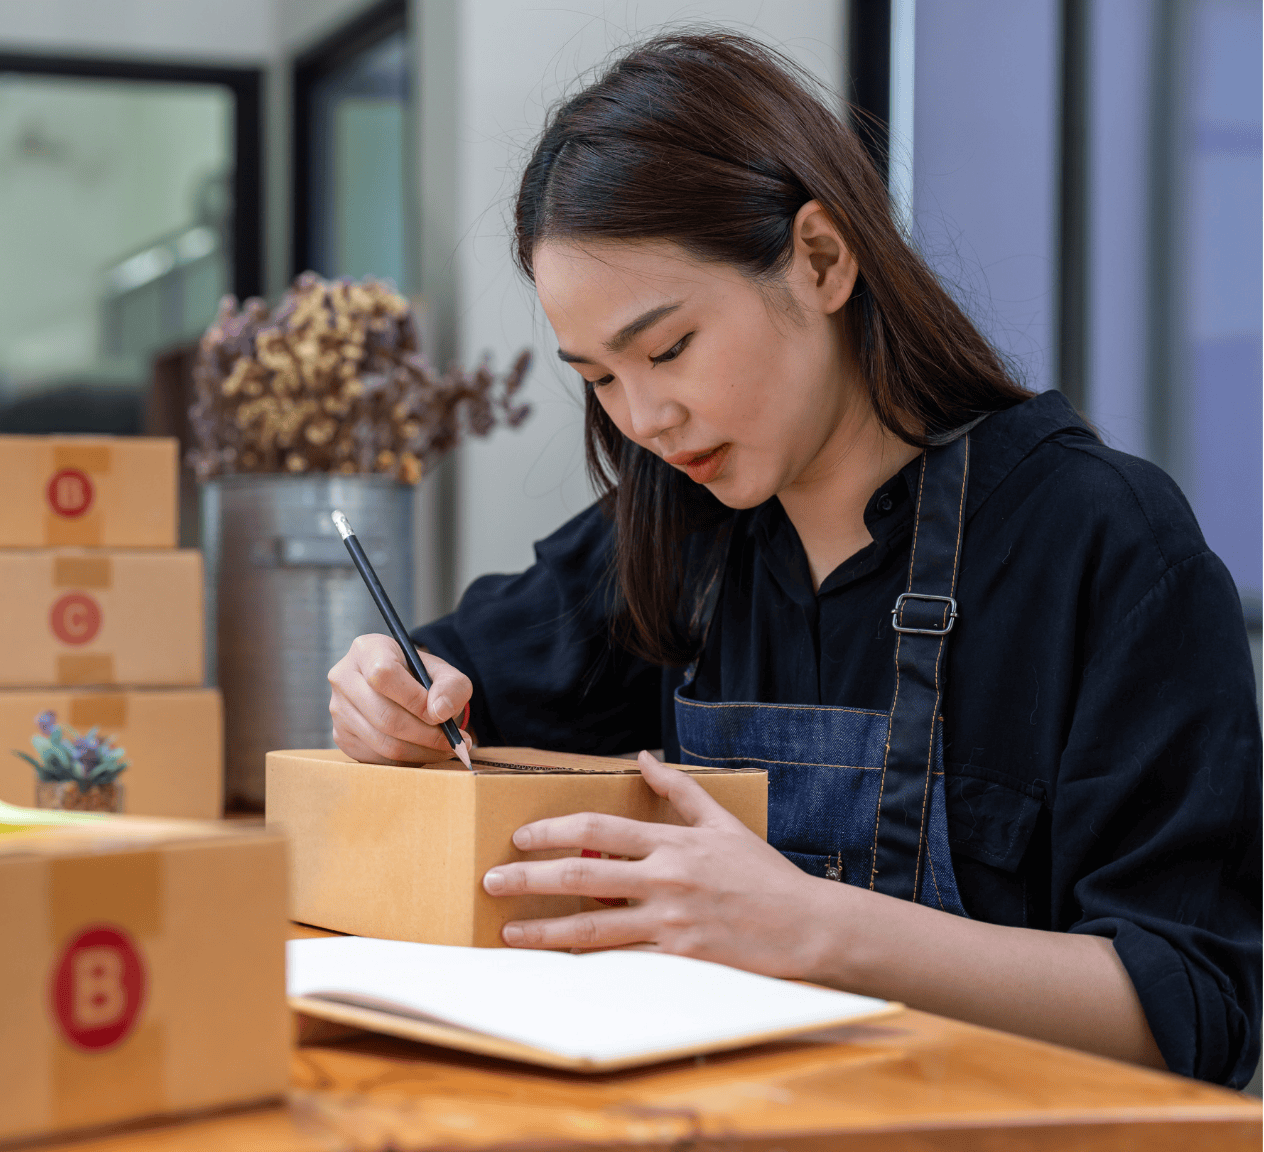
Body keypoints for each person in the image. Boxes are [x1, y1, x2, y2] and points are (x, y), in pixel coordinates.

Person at [326, 32, 1261, 1086]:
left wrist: (812, 928)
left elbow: (1195, 1009)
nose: (644, 418)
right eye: (598, 377)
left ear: (821, 258)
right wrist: (388, 691)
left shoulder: (1105, 541)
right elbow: (451, 676)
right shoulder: (672, 532)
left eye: (668, 349)